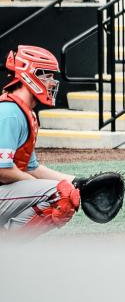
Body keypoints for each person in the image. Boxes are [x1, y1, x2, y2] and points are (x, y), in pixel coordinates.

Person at [0, 45, 80, 234]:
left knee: (66, 189)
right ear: (29, 74)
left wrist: (78, 182)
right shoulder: (9, 113)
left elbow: (31, 167)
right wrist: (36, 184)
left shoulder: (21, 111)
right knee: (62, 195)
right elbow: (2, 170)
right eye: (47, 75)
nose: (52, 82)